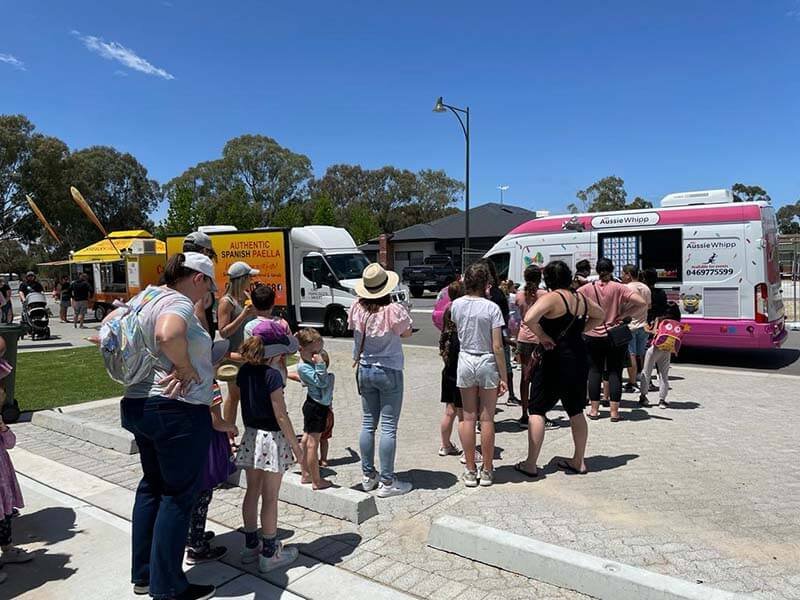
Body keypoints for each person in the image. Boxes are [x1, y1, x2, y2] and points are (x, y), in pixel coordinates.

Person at [114, 252, 219, 600]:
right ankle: (169, 587)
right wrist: (186, 366)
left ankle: (144, 575)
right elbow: (168, 334)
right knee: (177, 496)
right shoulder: (179, 302)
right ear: (199, 279)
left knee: (152, 488)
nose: (208, 296)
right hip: (177, 410)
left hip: (138, 404)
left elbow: (108, 334)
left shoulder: (144, 298)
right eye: (210, 286)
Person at [515, 261, 604, 477]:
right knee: (576, 410)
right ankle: (578, 460)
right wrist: (581, 329)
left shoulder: (553, 297)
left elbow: (528, 318)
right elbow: (600, 315)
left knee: (537, 410)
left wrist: (544, 337)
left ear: (549, 279)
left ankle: (531, 463)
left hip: (554, 358)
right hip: (578, 357)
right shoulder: (580, 298)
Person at [234, 325, 302, 573]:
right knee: (270, 497)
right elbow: (281, 415)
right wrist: (297, 447)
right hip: (271, 439)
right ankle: (270, 553)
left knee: (252, 491)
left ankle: (251, 544)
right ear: (275, 353)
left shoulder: (244, 373)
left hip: (252, 435)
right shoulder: (272, 376)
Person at [348, 263, 414, 498]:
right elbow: (406, 332)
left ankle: (368, 475)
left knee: (368, 423)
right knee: (388, 426)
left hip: (364, 368)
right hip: (389, 370)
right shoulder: (393, 310)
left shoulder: (356, 308)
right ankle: (387, 481)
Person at [450, 262, 508, 488]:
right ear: (485, 283)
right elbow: (497, 346)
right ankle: (488, 469)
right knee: (487, 419)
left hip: (465, 359)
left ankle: (470, 469)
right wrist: (503, 376)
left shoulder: (456, 305)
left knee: (467, 416)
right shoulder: (492, 308)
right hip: (486, 360)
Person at [578, 258, 647, 422]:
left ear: (596, 269)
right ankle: (615, 412)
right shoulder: (619, 287)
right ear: (612, 269)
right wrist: (623, 315)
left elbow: (575, 302)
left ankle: (594, 410)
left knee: (594, 371)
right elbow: (642, 302)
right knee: (615, 371)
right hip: (615, 334)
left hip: (593, 334)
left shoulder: (586, 288)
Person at [0, 337, 32, 580]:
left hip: (2, 478)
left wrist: (3, 428)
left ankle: (7, 550)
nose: (2, 389)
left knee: (5, 515)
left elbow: (10, 443)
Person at [219, 261, 258, 428]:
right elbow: (223, 331)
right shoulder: (226, 302)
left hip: (248, 355)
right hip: (233, 355)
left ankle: (249, 430)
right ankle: (228, 434)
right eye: (250, 277)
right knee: (234, 395)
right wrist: (243, 315)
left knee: (248, 395)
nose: (252, 280)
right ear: (242, 279)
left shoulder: (247, 296)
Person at [294, 329, 334, 490]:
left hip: (317, 405)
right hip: (315, 407)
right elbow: (322, 382)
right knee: (312, 444)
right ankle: (317, 481)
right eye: (313, 352)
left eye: (320, 351)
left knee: (306, 440)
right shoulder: (305, 367)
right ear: (301, 349)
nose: (317, 355)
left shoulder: (309, 363)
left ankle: (306, 474)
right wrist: (320, 364)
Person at [477, 259, 518, 407]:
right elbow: (505, 320)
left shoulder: (468, 297)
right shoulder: (498, 294)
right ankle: (508, 396)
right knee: (498, 375)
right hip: (496, 339)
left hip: (475, 344)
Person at [514, 265, 547, 428]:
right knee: (540, 378)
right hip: (539, 337)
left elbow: (515, 316)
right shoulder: (544, 295)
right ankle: (539, 412)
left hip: (523, 337)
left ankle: (524, 413)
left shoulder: (519, 296)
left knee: (525, 377)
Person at [438, 281, 465, 458]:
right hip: (460, 367)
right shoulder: (462, 309)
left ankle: (445, 445)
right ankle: (468, 452)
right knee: (465, 414)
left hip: (448, 367)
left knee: (449, 410)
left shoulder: (447, 310)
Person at [639, 302, 684, 409]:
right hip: (667, 350)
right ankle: (662, 400)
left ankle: (643, 397)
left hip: (654, 349)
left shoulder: (660, 319)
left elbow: (654, 332)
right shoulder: (677, 322)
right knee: (664, 375)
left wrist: (647, 327)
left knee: (646, 372)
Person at [244, 285, 292, 383]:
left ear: (253, 305)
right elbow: (291, 349)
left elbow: (248, 355)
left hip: (258, 376)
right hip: (279, 374)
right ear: (273, 304)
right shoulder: (282, 323)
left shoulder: (250, 327)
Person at [621, 265, 651, 395]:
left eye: (623, 273)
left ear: (628, 274)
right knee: (642, 353)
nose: (622, 276)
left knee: (631, 354)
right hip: (643, 324)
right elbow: (648, 306)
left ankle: (632, 382)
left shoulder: (627, 288)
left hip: (630, 325)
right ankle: (644, 379)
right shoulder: (645, 287)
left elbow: (621, 305)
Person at [182, 232, 218, 338]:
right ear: (204, 251)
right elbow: (199, 313)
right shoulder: (199, 276)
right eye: (210, 254)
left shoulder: (178, 272)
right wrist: (206, 342)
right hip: (198, 342)